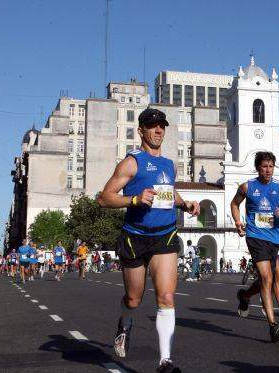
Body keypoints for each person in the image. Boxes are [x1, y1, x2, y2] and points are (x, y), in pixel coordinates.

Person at [98, 108, 200, 373]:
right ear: (141, 130)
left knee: (166, 296)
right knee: (134, 299)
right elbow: (105, 197)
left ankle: (165, 360)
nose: (158, 130)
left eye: (161, 126)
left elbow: (169, 192)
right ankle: (125, 323)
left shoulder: (169, 164)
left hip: (165, 235)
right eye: (152, 126)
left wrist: (186, 205)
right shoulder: (132, 162)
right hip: (135, 237)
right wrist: (133, 199)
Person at [231, 151, 279, 343]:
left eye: (271, 166)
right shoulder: (247, 187)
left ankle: (244, 295)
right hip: (255, 237)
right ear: (257, 168)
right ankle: (272, 325)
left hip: (275, 239)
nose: (268, 170)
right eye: (264, 166)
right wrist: (238, 222)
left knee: (268, 279)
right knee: (267, 278)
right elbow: (234, 204)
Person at [237, 217, 279, 321]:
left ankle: (245, 296)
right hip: (269, 245)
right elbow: (258, 221)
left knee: (272, 281)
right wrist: (247, 229)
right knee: (276, 277)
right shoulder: (270, 204)